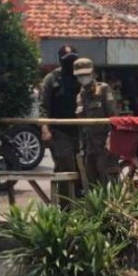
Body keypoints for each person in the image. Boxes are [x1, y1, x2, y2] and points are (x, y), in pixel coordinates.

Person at [39, 45, 81, 199]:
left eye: (73, 59)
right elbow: (43, 105)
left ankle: (81, 204)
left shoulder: (81, 76)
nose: (71, 63)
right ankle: (65, 205)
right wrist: (45, 128)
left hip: (80, 130)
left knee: (81, 168)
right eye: (67, 60)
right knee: (65, 166)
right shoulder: (51, 79)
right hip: (59, 131)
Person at [73, 57, 118, 188]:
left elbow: (113, 117)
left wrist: (111, 141)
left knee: (108, 182)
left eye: (86, 74)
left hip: (104, 145)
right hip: (89, 146)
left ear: (93, 73)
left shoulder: (104, 90)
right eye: (80, 75)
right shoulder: (80, 95)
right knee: (91, 183)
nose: (83, 78)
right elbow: (81, 125)